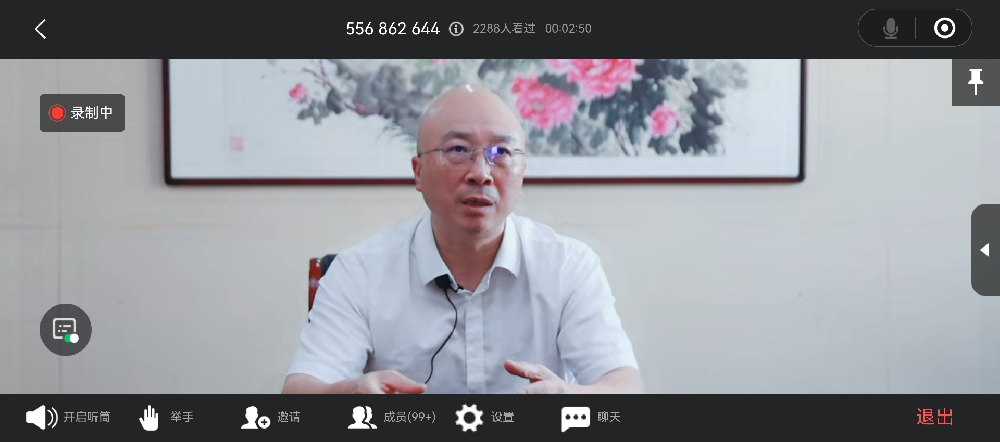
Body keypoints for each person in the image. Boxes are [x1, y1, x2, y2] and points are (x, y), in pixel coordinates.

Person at [282, 84, 643, 394]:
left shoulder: (567, 265)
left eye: (501, 153)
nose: (481, 174)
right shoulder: (359, 271)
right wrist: (347, 392)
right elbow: (301, 389)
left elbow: (624, 385)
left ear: (521, 172)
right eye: (457, 150)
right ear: (418, 172)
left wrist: (572, 395)